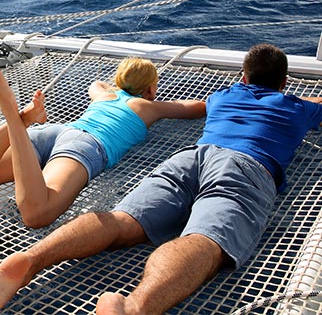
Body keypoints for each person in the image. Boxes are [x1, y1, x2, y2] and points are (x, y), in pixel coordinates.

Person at [0, 43, 321, 315]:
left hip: (191, 156)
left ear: (243, 77)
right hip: (247, 167)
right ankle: (133, 307)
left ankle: (28, 260)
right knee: (206, 239)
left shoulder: (224, 97)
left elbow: (200, 104)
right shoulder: (297, 107)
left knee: (121, 220)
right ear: (284, 83)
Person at [0, 56, 206, 229]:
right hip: (85, 144)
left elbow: (95, 84)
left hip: (56, 131)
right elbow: (193, 107)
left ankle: (23, 120)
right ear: (151, 89)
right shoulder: (148, 106)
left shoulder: (104, 95)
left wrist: (116, 87)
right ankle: (11, 113)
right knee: (38, 213)